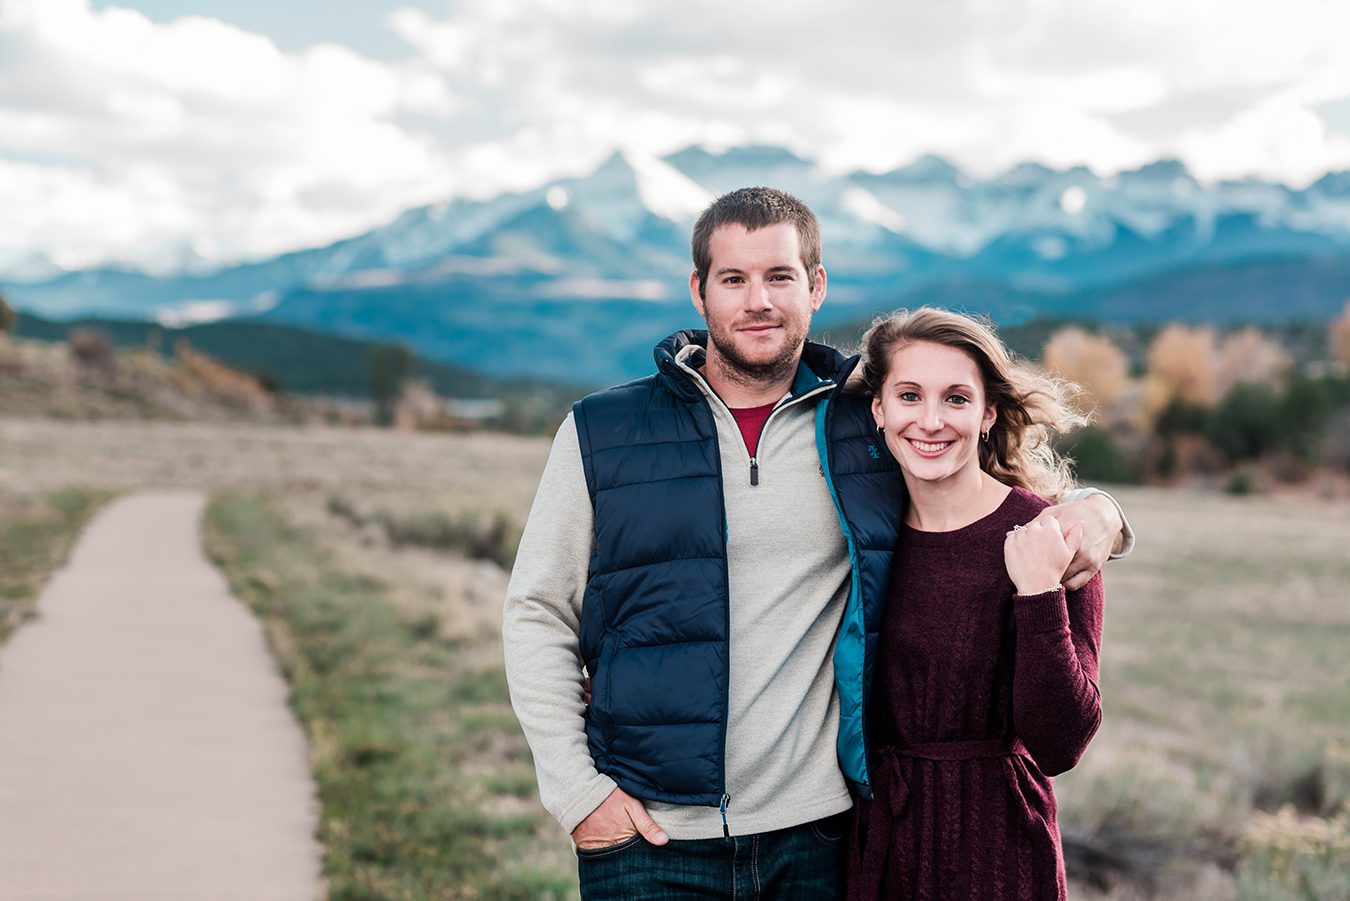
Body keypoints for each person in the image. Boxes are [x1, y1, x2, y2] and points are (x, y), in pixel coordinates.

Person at [502, 187, 1132, 900]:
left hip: (821, 842)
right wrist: (578, 792)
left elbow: (967, 479)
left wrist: (1097, 511)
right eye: (733, 279)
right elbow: (537, 613)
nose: (757, 301)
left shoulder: (860, 429)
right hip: (651, 838)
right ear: (698, 291)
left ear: (817, 286)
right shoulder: (603, 433)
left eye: (780, 276)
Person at [849, 307, 1106, 900]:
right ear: (879, 409)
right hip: (876, 854)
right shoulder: (859, 532)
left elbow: (1061, 743)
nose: (931, 421)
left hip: (1000, 857)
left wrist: (1038, 594)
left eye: (957, 399)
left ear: (989, 412)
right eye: (909, 395)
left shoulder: (1048, 535)